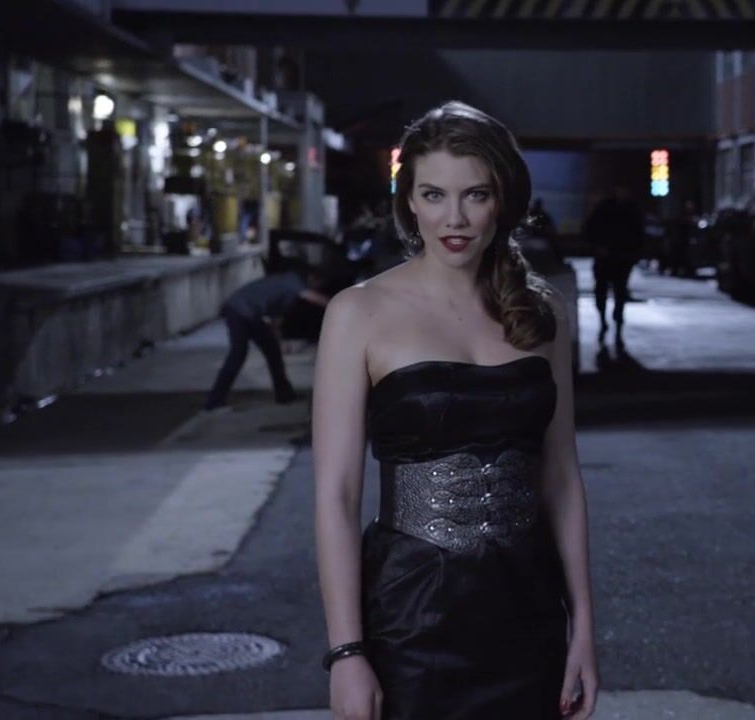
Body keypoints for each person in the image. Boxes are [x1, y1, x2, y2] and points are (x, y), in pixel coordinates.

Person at [312, 101, 599, 720]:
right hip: (409, 619)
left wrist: (583, 629)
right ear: (409, 203)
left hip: (528, 612)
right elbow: (336, 494)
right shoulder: (358, 313)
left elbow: (561, 478)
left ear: (504, 200)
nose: (455, 218)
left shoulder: (542, 312)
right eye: (434, 194)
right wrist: (346, 652)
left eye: (476, 194)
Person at [203, 263, 331, 410]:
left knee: (273, 352)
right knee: (237, 354)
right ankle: (214, 401)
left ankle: (284, 394)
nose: (317, 288)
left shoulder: (290, 296)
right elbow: (312, 297)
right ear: (312, 278)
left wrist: (280, 343)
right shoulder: (293, 280)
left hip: (251, 315)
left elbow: (276, 321)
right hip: (239, 310)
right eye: (318, 284)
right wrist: (337, 304)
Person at [583, 186, 644, 343]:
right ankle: (615, 323)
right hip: (620, 257)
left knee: (603, 291)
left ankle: (605, 321)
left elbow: (588, 231)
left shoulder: (603, 209)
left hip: (607, 257)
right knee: (619, 292)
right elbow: (638, 234)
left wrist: (596, 247)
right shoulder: (628, 210)